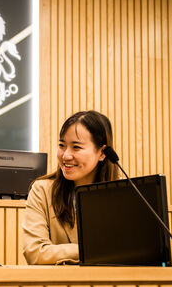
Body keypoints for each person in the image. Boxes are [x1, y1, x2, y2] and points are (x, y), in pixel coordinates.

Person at [22, 110, 119, 265]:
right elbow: (35, 252)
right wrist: (93, 249)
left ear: (102, 153)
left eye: (76, 147)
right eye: (62, 145)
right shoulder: (42, 191)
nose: (66, 155)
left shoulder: (121, 194)